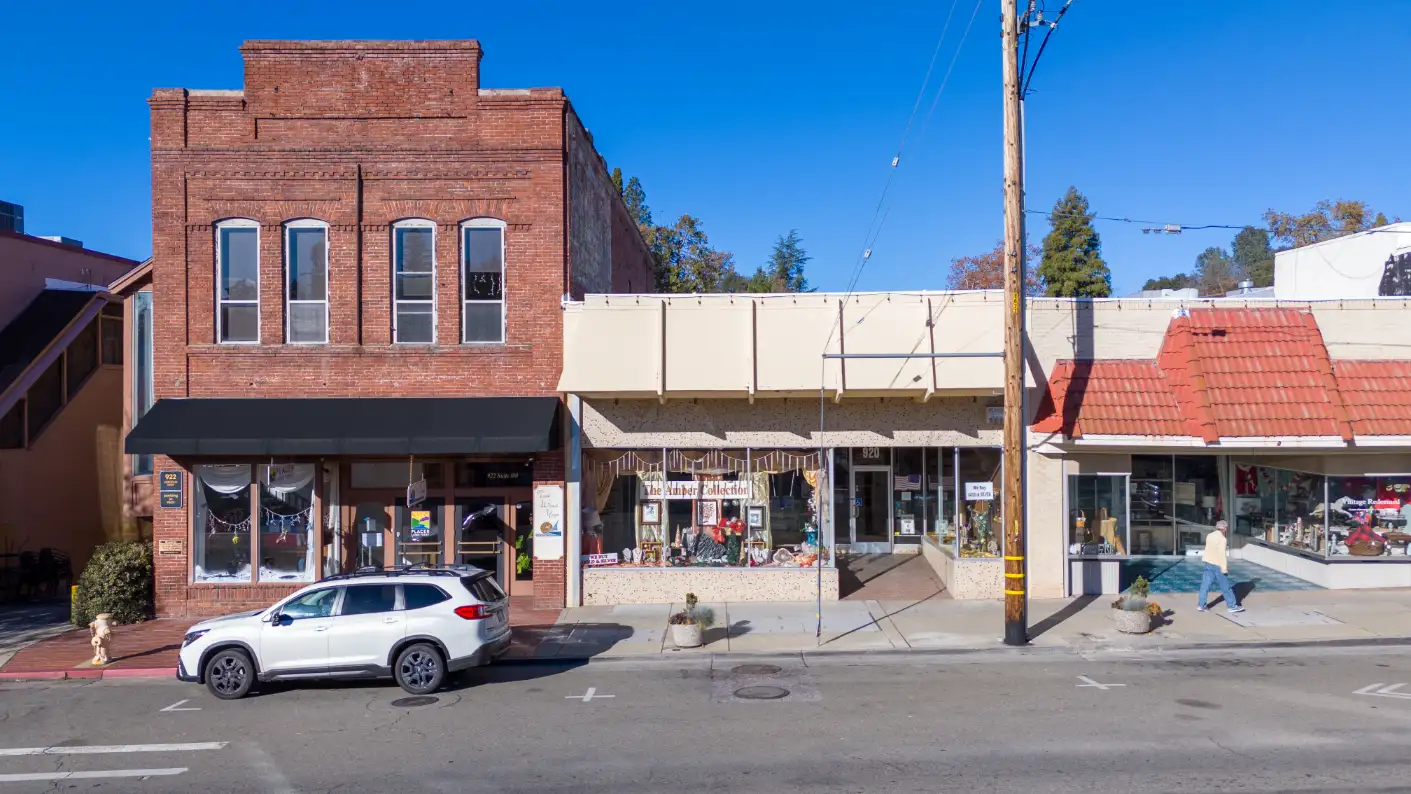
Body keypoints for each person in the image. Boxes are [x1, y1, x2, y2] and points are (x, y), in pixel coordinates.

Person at [1198, 520, 1245, 614]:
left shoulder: (1209, 536)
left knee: (1205, 586)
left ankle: (1201, 605)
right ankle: (1232, 606)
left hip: (1208, 563)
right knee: (1226, 587)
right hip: (1218, 565)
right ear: (1224, 529)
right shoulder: (1222, 539)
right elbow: (1221, 555)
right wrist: (1224, 568)